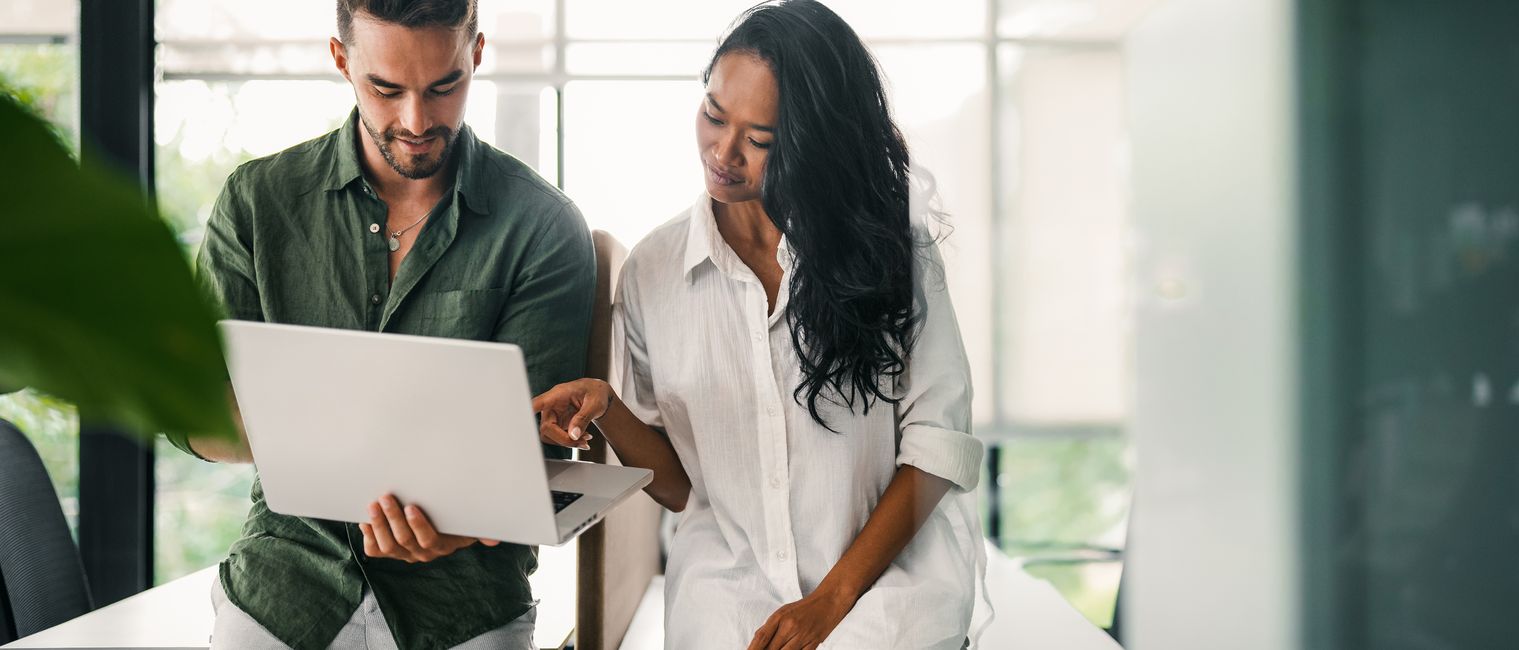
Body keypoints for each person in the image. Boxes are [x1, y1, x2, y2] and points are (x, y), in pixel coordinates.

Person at [532, 1, 989, 648]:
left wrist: (827, 605)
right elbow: (683, 487)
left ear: (815, 142)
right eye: (714, 115)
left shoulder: (895, 253)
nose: (723, 151)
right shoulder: (655, 273)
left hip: (887, 596)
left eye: (760, 139)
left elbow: (936, 446)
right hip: (726, 598)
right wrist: (608, 409)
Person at [163, 1, 596, 648]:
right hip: (289, 581)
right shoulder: (258, 204)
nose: (417, 121)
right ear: (342, 61)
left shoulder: (542, 228)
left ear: (477, 52)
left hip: (465, 598)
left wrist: (460, 517)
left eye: (444, 86)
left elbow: (538, 453)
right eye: (385, 89)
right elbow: (191, 420)